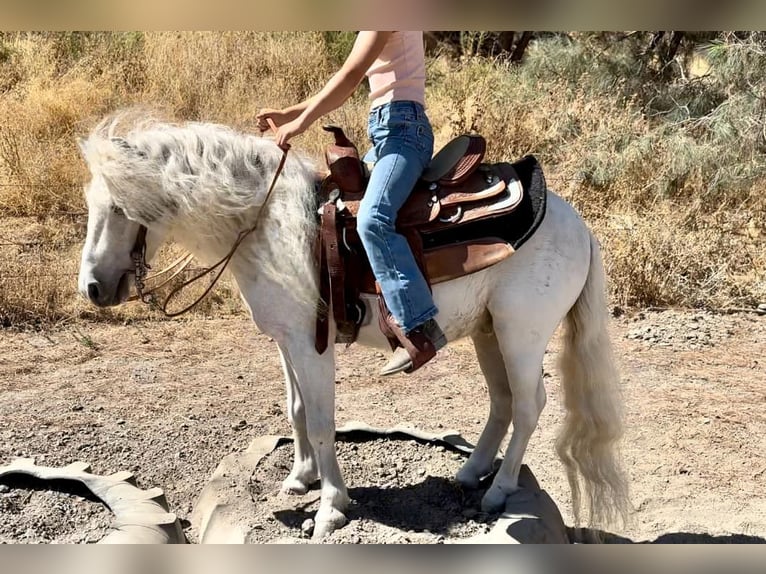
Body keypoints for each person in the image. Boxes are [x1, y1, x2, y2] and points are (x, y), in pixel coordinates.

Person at [256, 31, 446, 376]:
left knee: (373, 218)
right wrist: (289, 113)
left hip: (404, 133)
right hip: (388, 131)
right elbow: (343, 76)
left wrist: (300, 123)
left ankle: (419, 328)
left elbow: (349, 77)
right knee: (336, 207)